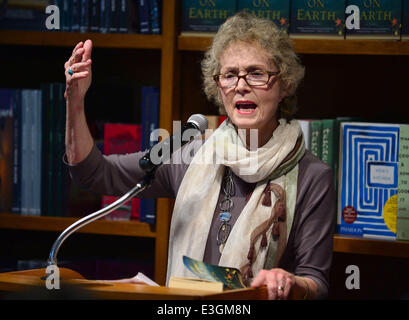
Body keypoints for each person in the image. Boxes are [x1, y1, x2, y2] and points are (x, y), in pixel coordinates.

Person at [63, 12, 335, 300]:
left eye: (256, 73)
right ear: (218, 87)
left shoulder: (312, 176)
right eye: (229, 75)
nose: (241, 85)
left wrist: (289, 282)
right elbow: (92, 172)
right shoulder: (191, 156)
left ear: (285, 85)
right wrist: (75, 102)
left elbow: (316, 282)